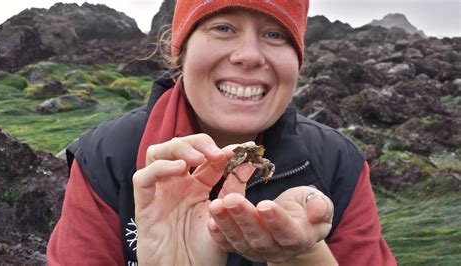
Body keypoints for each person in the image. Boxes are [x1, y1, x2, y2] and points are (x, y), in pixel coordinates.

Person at [47, 0, 396, 265]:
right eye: (223, 28)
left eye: (275, 34)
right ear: (180, 52)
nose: (248, 55)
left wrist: (303, 254)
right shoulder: (106, 158)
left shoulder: (339, 163)